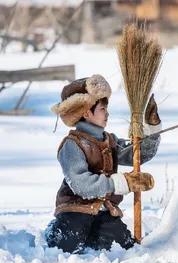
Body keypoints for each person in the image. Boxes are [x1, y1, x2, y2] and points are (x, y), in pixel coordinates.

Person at [45, 74, 161, 253]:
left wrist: (152, 130)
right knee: (68, 245)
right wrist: (123, 183)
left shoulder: (110, 141)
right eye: (102, 109)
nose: (107, 113)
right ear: (86, 112)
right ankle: (56, 228)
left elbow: (137, 155)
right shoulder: (72, 144)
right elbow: (81, 184)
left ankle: (94, 234)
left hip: (104, 211)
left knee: (123, 246)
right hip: (75, 208)